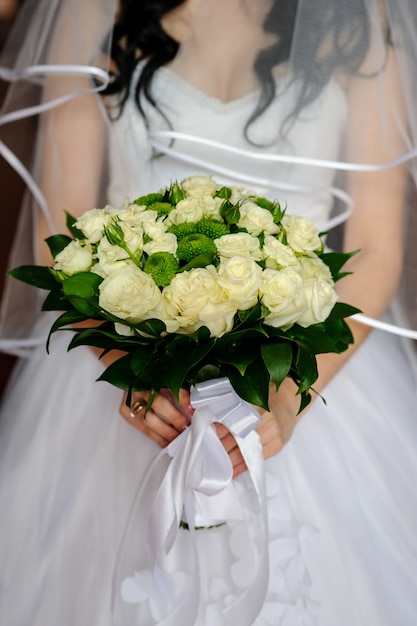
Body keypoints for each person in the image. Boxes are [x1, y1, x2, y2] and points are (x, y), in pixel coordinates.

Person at [0, 0, 416, 624]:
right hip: (121, 357)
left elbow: (378, 247)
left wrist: (290, 394)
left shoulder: (355, 16)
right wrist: (130, 367)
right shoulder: (93, 12)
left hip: (305, 361)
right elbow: (58, 233)